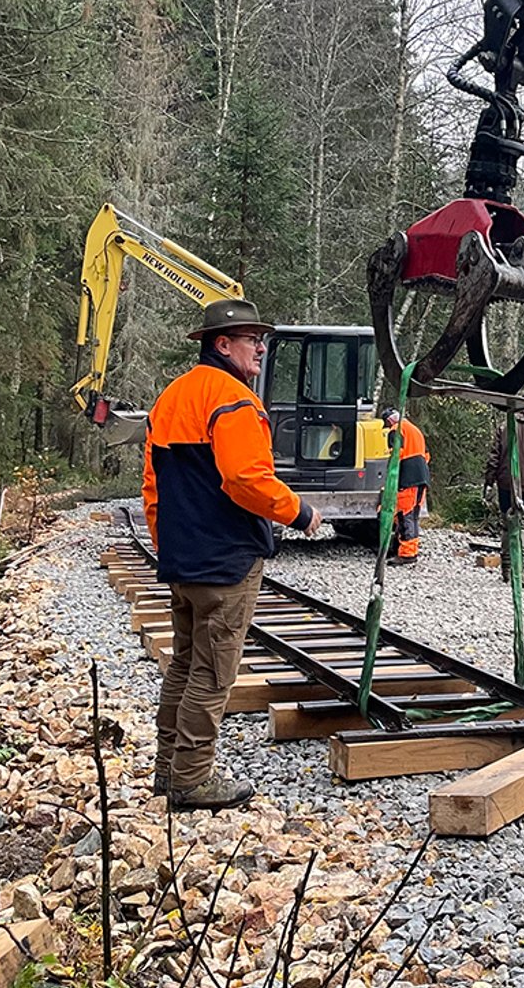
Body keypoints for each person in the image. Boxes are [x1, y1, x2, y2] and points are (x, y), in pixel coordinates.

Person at [143, 298, 328, 810]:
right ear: (222, 345)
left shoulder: (171, 398)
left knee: (183, 667)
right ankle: (192, 780)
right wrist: (300, 512)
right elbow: (246, 478)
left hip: (185, 562)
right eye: (252, 340)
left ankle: (168, 770)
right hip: (226, 562)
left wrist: (168, 545)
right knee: (213, 674)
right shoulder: (235, 400)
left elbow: (152, 486)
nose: (261, 348)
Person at [381, 408, 428, 565]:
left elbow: (396, 455)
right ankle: (409, 550)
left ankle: (407, 554)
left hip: (408, 479)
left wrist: (390, 479)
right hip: (421, 478)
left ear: (389, 421)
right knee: (412, 516)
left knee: (404, 515)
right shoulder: (415, 430)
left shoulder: (396, 430)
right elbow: (427, 455)